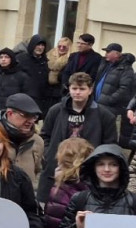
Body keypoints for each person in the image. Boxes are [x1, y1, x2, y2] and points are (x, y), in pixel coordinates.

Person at [38, 72, 118, 203]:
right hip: (57, 168)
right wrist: (49, 154)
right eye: (74, 88)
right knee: (52, 208)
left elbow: (110, 144)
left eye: (82, 89)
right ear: (69, 88)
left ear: (90, 90)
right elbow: (45, 135)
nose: (77, 92)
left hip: (88, 172)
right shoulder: (56, 110)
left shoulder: (104, 115)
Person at [92, 44, 136, 118]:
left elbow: (124, 89)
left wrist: (110, 100)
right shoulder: (105, 64)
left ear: (116, 54)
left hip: (110, 108)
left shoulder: (125, 69)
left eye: (108, 52)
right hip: (96, 104)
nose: (106, 54)